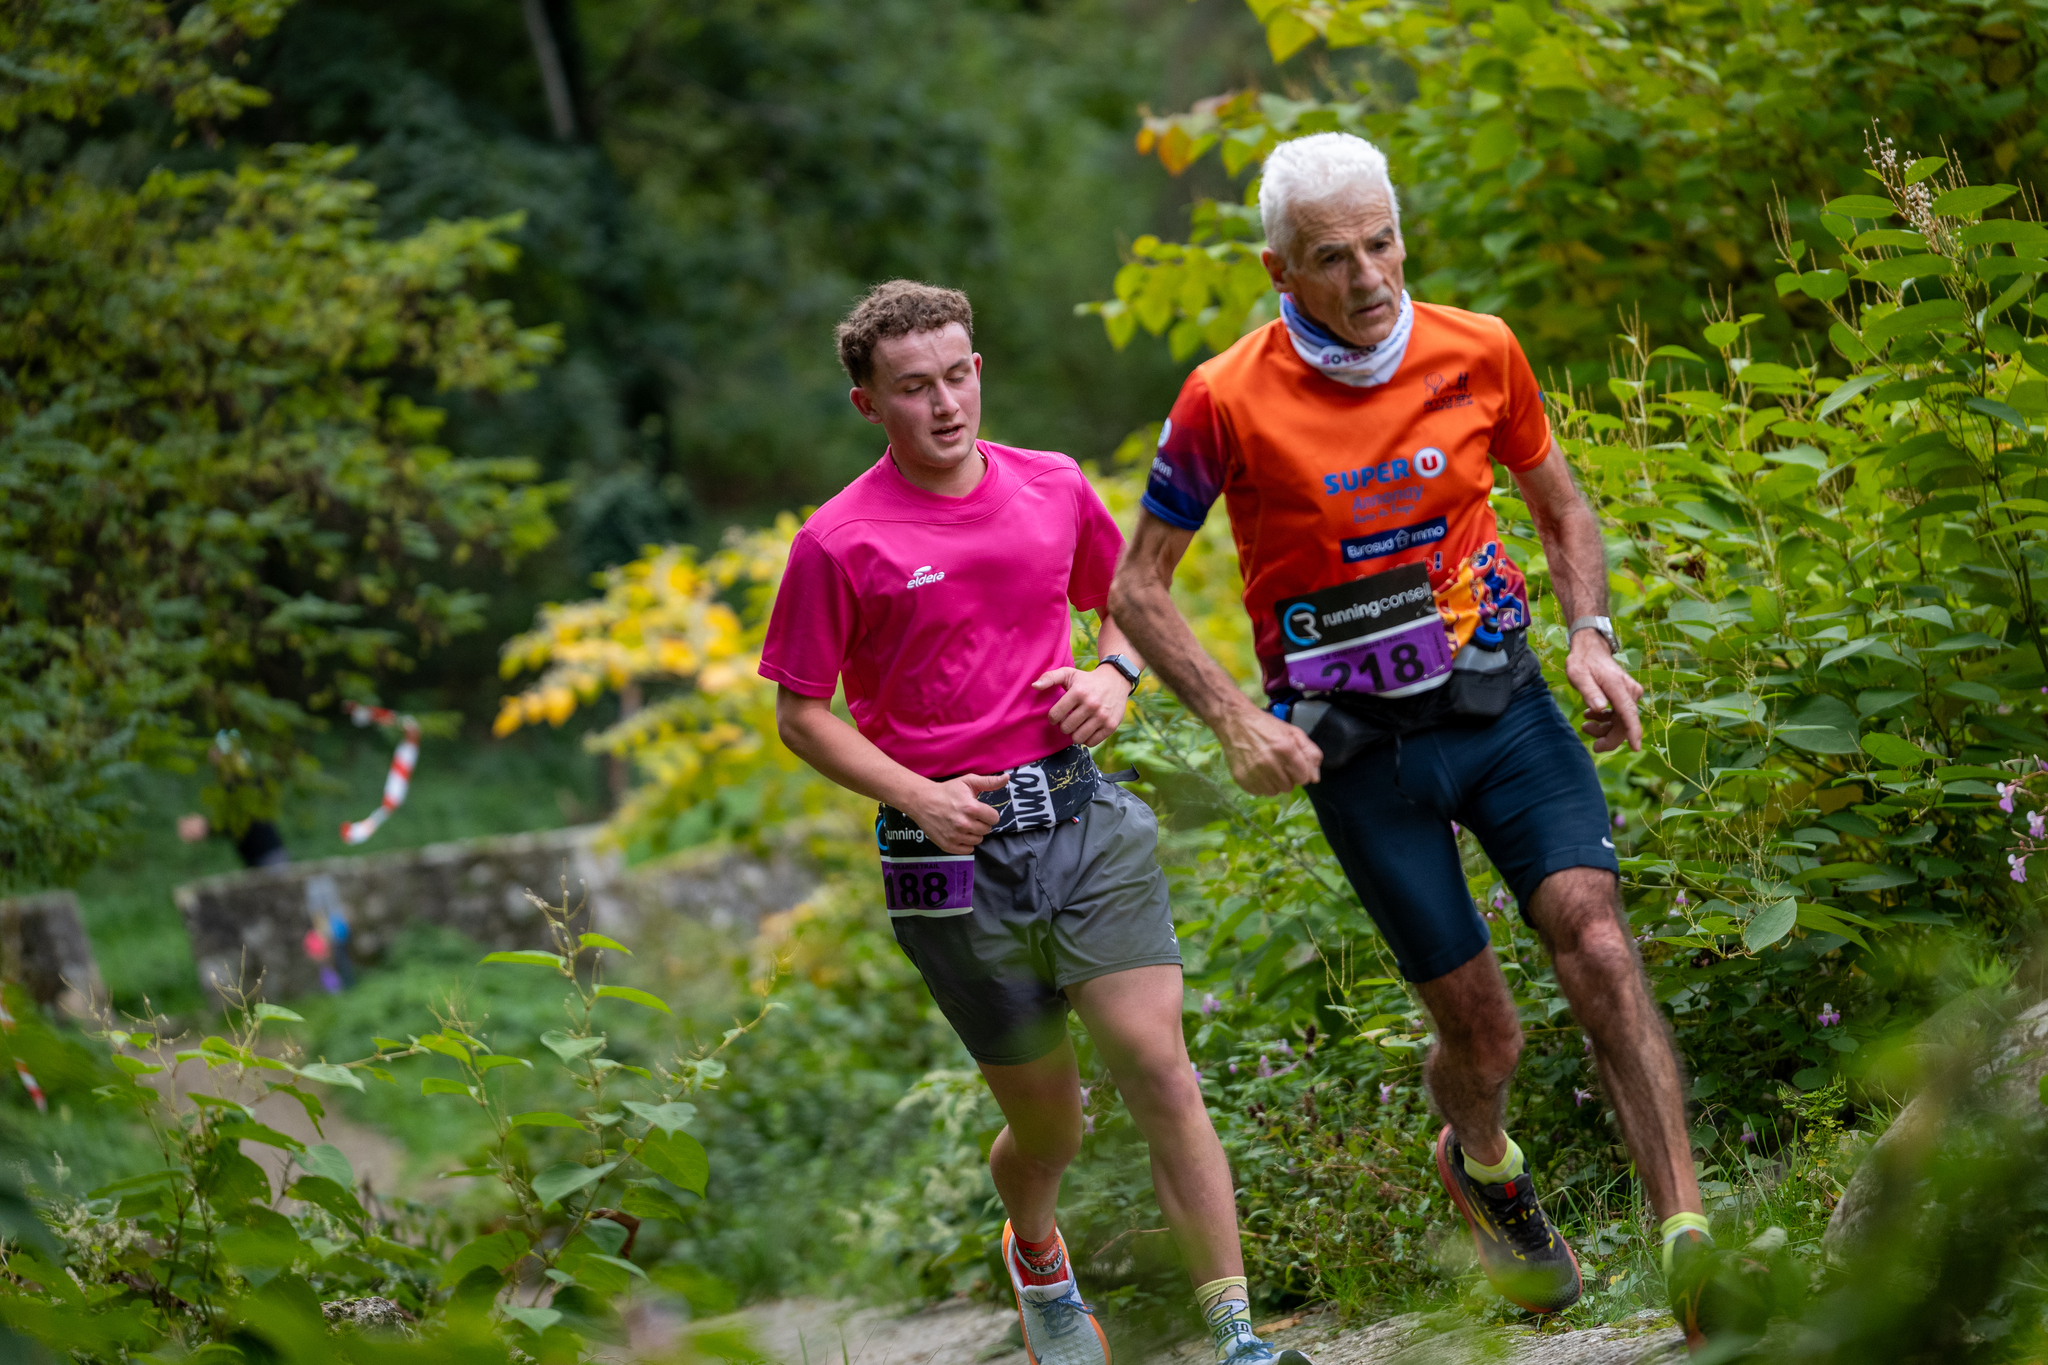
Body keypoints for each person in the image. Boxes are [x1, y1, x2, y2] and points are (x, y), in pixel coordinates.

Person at [1105, 133, 1722, 1345]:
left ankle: (1687, 1242)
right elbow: (1136, 587)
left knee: (1596, 939)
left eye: (1380, 244)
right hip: (1359, 754)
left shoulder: (1476, 347)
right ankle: (1481, 1162)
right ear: (1280, 270)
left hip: (1500, 706)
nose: (1367, 277)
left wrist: (1590, 636)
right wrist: (1234, 720)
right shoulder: (1222, 396)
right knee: (1482, 1036)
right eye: (1332, 258)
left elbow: (1559, 509)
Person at [761, 281, 1310, 1365]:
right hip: (946, 858)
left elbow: (1131, 602)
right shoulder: (836, 542)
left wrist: (1115, 674)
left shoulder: (1052, 484)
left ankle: (1237, 1338)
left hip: (1081, 819)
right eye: (912, 387)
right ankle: (1038, 1252)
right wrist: (913, 793)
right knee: (1052, 1126)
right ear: (868, 403)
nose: (944, 404)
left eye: (956, 375)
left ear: (978, 370)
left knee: (1157, 1065)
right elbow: (800, 714)